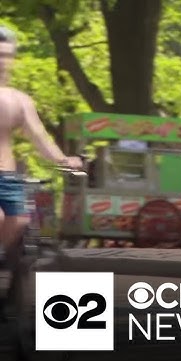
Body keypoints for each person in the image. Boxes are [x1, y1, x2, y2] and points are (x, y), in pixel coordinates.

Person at [0, 26, 82, 262]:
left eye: (6, 56)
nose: (2, 62)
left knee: (20, 220)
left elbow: (39, 137)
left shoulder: (19, 100)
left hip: (7, 177)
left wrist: (63, 161)